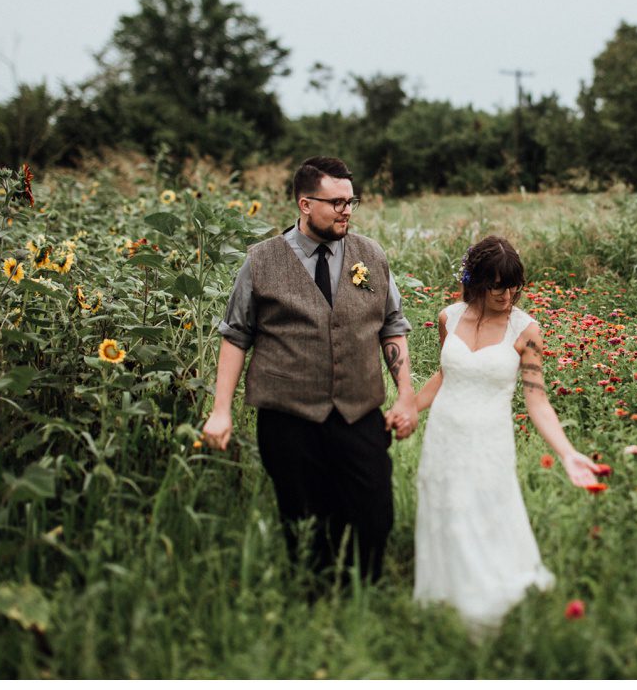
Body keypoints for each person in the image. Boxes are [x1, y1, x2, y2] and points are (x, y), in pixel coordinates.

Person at [203, 156, 418, 592]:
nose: (346, 210)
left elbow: (392, 326)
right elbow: (235, 335)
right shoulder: (260, 262)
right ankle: (315, 604)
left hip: (358, 412)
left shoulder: (370, 255)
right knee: (305, 519)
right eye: (336, 202)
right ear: (304, 203)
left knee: (374, 513)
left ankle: (366, 597)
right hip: (289, 418)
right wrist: (220, 410)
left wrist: (406, 394)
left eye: (350, 201)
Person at [413, 235, 599, 634]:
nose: (507, 294)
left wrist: (567, 453)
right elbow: (446, 375)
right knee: (446, 514)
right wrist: (406, 408)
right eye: (498, 284)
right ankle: (447, 602)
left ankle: (487, 615)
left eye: (514, 285)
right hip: (444, 436)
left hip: (489, 442)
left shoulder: (526, 330)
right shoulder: (449, 317)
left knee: (483, 520)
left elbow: (538, 401)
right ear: (477, 280)